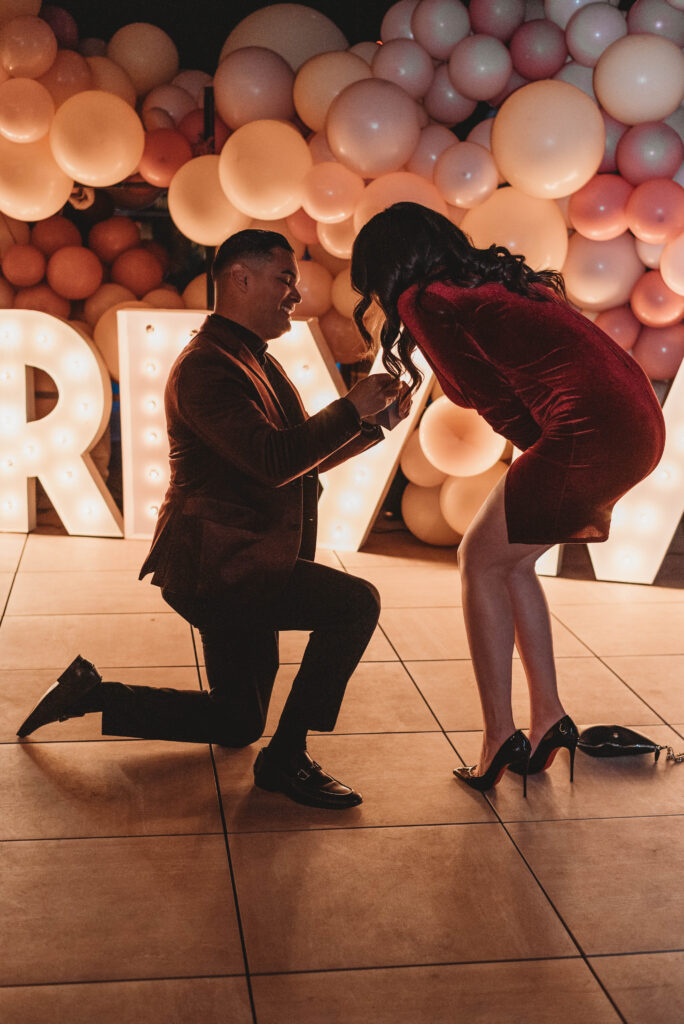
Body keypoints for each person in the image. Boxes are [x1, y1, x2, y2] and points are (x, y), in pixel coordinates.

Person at [18, 229, 410, 810]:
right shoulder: (207, 367)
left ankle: (93, 694)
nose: (295, 295)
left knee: (236, 722)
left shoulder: (249, 359)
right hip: (223, 567)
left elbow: (294, 457)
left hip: (243, 557)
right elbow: (272, 459)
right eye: (285, 280)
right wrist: (349, 408)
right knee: (356, 603)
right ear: (240, 279)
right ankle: (287, 759)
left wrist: (370, 425)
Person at [350, 202, 666, 796]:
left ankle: (499, 737)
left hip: (590, 426)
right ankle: (547, 719)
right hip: (637, 420)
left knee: (479, 559)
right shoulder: (496, 281)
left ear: (385, 268)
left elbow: (479, 396)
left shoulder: (425, 300)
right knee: (511, 562)